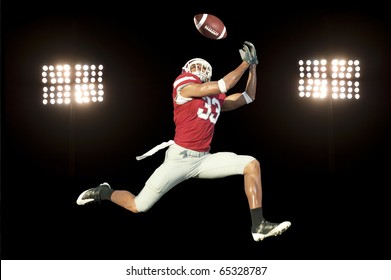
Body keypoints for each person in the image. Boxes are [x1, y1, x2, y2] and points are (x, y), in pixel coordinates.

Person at [76, 41, 291, 242]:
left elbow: (248, 97)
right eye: (195, 66)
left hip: (203, 160)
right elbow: (225, 84)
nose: (199, 69)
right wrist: (245, 62)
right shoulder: (183, 84)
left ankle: (258, 226)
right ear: (187, 70)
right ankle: (103, 191)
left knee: (251, 164)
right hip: (179, 159)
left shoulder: (214, 97)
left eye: (202, 67)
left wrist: (253, 68)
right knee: (138, 206)